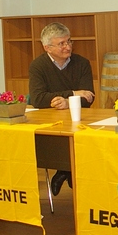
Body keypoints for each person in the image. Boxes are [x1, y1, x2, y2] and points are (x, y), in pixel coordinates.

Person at [29, 22, 95, 195]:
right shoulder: (38, 66)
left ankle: (65, 172)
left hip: (79, 119)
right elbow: (37, 99)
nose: (68, 47)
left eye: (69, 41)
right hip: (50, 121)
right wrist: (73, 94)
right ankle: (66, 170)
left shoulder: (82, 63)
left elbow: (88, 98)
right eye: (62, 44)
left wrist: (66, 101)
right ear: (47, 48)